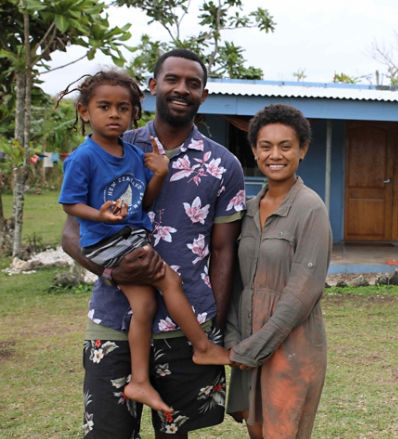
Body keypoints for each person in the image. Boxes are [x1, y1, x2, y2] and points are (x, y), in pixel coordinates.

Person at [62, 49, 245, 438]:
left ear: (203, 95)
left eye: (192, 83)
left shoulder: (223, 164)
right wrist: (111, 269)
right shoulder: (112, 144)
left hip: (188, 327)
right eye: (172, 80)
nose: (182, 89)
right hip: (114, 320)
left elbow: (224, 251)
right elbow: (71, 233)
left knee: (176, 434)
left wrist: (216, 329)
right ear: (153, 87)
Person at [225, 103, 332, 439]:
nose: (276, 155)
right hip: (247, 342)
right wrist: (233, 337)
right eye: (266, 146)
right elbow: (238, 280)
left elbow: (302, 293)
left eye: (286, 146)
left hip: (292, 348)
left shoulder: (310, 208)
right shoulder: (249, 208)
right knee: (256, 432)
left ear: (302, 150)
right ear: (254, 150)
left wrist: (255, 348)